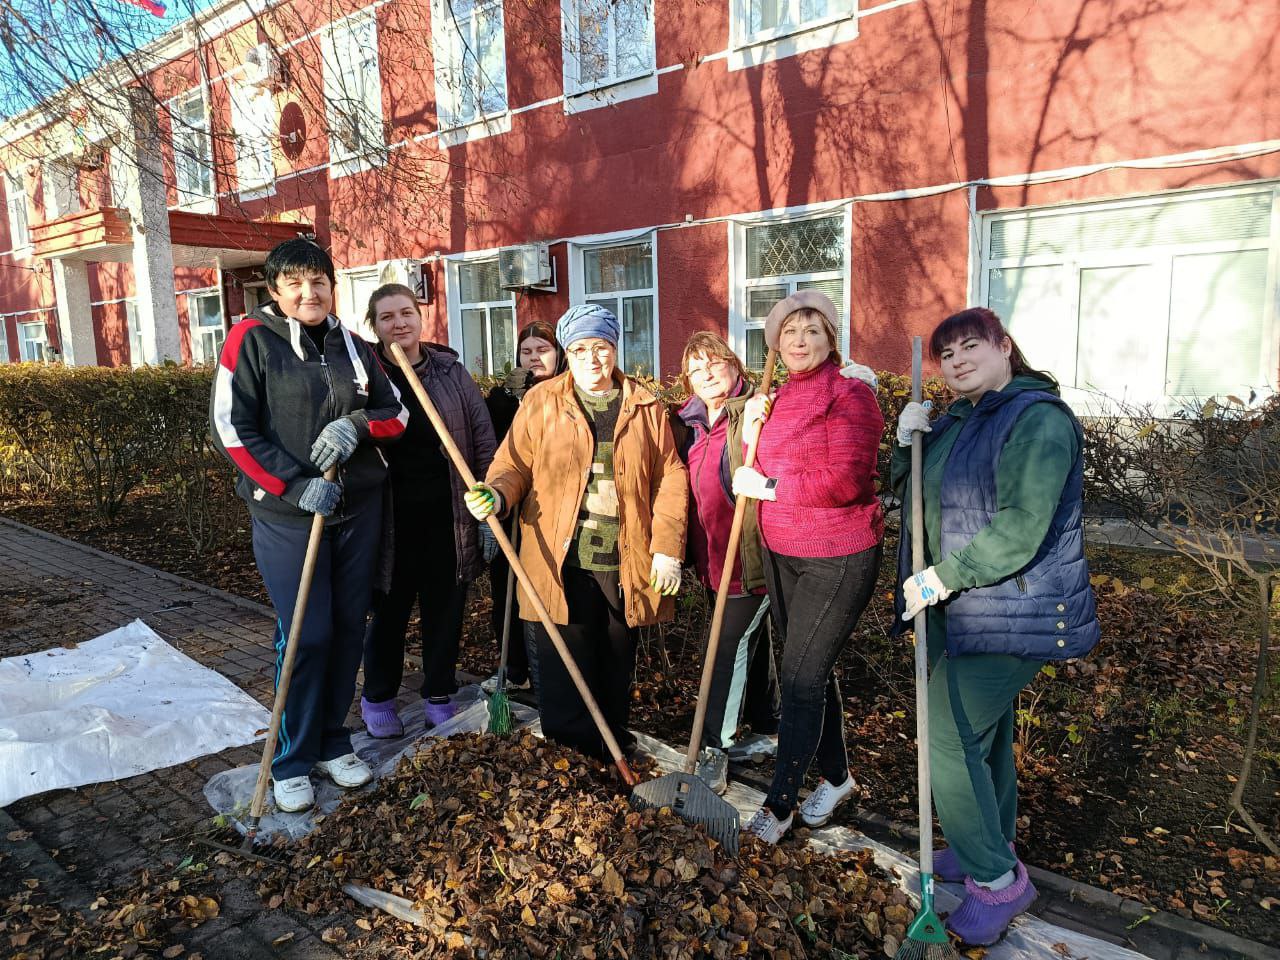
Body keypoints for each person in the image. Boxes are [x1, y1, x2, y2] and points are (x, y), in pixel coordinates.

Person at [891, 307, 1099, 945]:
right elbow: (914, 497)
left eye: (969, 347)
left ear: (1004, 346)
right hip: (967, 607)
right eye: (945, 355)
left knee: (946, 736)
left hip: (1017, 604)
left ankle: (997, 880)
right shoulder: (960, 418)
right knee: (982, 738)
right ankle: (989, 843)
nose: (954, 362)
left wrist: (944, 575)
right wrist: (907, 444)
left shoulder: (1036, 420)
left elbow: (1019, 527)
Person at [209, 238, 409, 813]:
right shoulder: (251, 340)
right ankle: (290, 759)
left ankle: (331, 741)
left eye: (318, 281)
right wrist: (294, 487)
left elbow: (396, 410)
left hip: (357, 510)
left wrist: (358, 426)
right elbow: (231, 428)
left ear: (331, 286)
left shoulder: (350, 342)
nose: (309, 292)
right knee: (307, 633)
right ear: (274, 291)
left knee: (349, 628)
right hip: (289, 517)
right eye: (295, 283)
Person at [464, 303, 689, 762]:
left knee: (615, 660)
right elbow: (513, 465)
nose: (592, 358)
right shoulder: (542, 400)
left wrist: (667, 549)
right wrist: (497, 494)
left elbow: (670, 478)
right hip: (556, 558)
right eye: (581, 348)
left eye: (601, 347)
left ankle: (611, 747)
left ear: (615, 349)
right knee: (562, 663)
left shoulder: (644, 405)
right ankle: (570, 758)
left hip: (625, 560)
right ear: (569, 351)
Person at [730, 290, 884, 844]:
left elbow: (846, 482)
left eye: (812, 330)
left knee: (798, 679)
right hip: (782, 552)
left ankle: (779, 806)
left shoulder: (851, 395)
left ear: (831, 339)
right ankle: (837, 779)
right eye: (789, 331)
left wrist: (769, 487)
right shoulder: (773, 399)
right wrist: (750, 430)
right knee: (810, 674)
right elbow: (753, 464)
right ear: (775, 343)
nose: (799, 340)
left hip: (836, 557)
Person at [358, 283, 497, 737]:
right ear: (374, 326)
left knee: (445, 608)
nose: (399, 323)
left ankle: (439, 692)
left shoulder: (450, 371)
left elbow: (481, 437)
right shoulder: (365, 374)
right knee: (390, 612)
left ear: (421, 318)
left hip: (447, 512)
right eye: (387, 317)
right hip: (390, 518)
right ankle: (378, 697)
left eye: (406, 313)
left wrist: (489, 501)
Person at [670, 332, 781, 793]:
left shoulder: (757, 411)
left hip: (750, 558)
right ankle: (769, 725)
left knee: (725, 650)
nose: (707, 374)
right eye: (696, 369)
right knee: (747, 647)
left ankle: (715, 746)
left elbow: (785, 466)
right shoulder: (690, 421)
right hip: (713, 560)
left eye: (714, 363)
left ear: (734, 365)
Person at [479, 322, 567, 699]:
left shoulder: (568, 392)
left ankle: (552, 671)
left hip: (552, 512)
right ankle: (513, 669)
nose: (534, 358)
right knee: (507, 590)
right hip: (509, 510)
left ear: (558, 354)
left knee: (550, 589)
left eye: (542, 350)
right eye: (527, 351)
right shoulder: (502, 397)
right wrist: (510, 403)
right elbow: (492, 451)